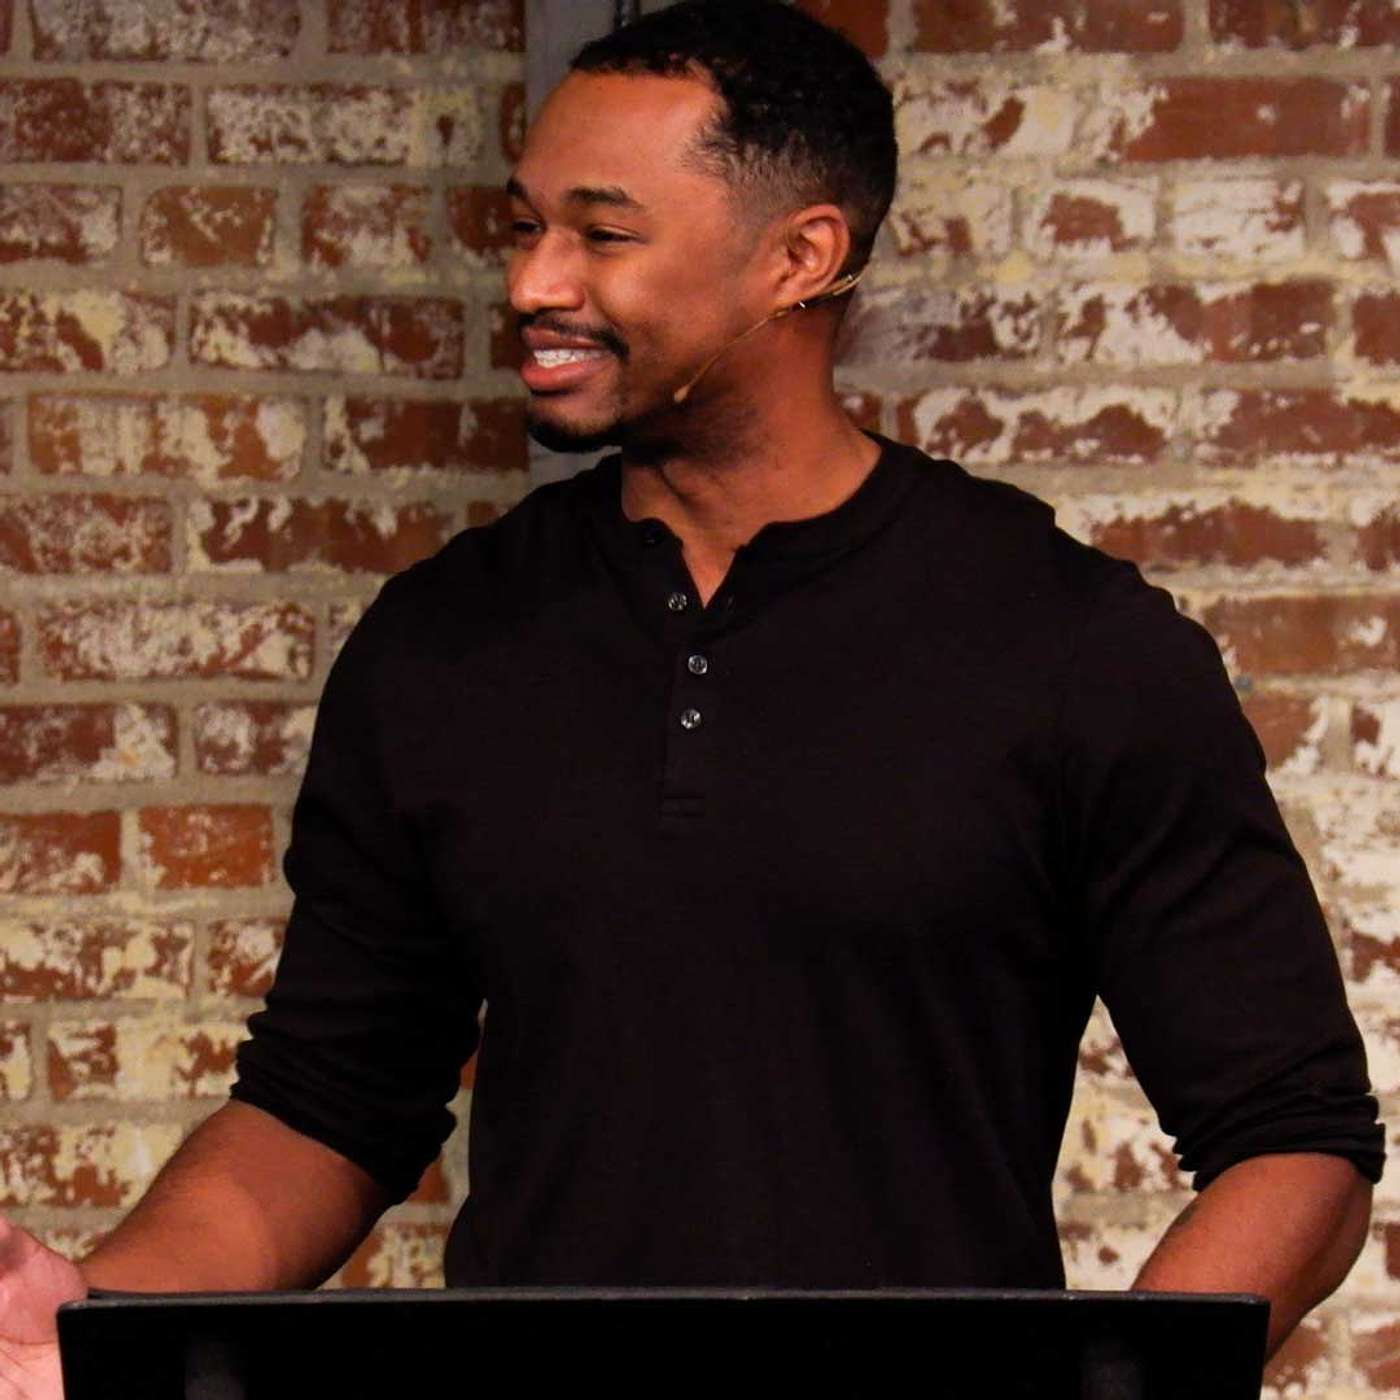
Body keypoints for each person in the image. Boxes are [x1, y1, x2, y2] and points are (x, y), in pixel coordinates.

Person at [0, 2, 1383, 1393]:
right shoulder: (443, 643)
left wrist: (1101, 1395)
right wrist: (96, 1326)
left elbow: (1294, 1138)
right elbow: (324, 1104)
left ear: (800, 258)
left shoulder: (1074, 645)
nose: (534, 281)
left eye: (602, 235)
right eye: (523, 226)